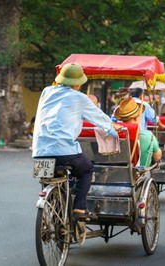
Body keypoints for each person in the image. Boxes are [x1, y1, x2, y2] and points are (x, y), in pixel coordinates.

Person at [32, 63, 122, 220]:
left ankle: (55, 209)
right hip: (64, 150)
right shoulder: (80, 98)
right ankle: (80, 207)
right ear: (78, 82)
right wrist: (112, 129)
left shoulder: (46, 92)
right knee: (86, 168)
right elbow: (98, 117)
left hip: (39, 151)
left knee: (50, 178)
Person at [114, 98, 162, 167]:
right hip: (140, 173)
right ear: (136, 118)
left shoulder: (114, 134)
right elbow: (157, 157)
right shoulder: (148, 135)